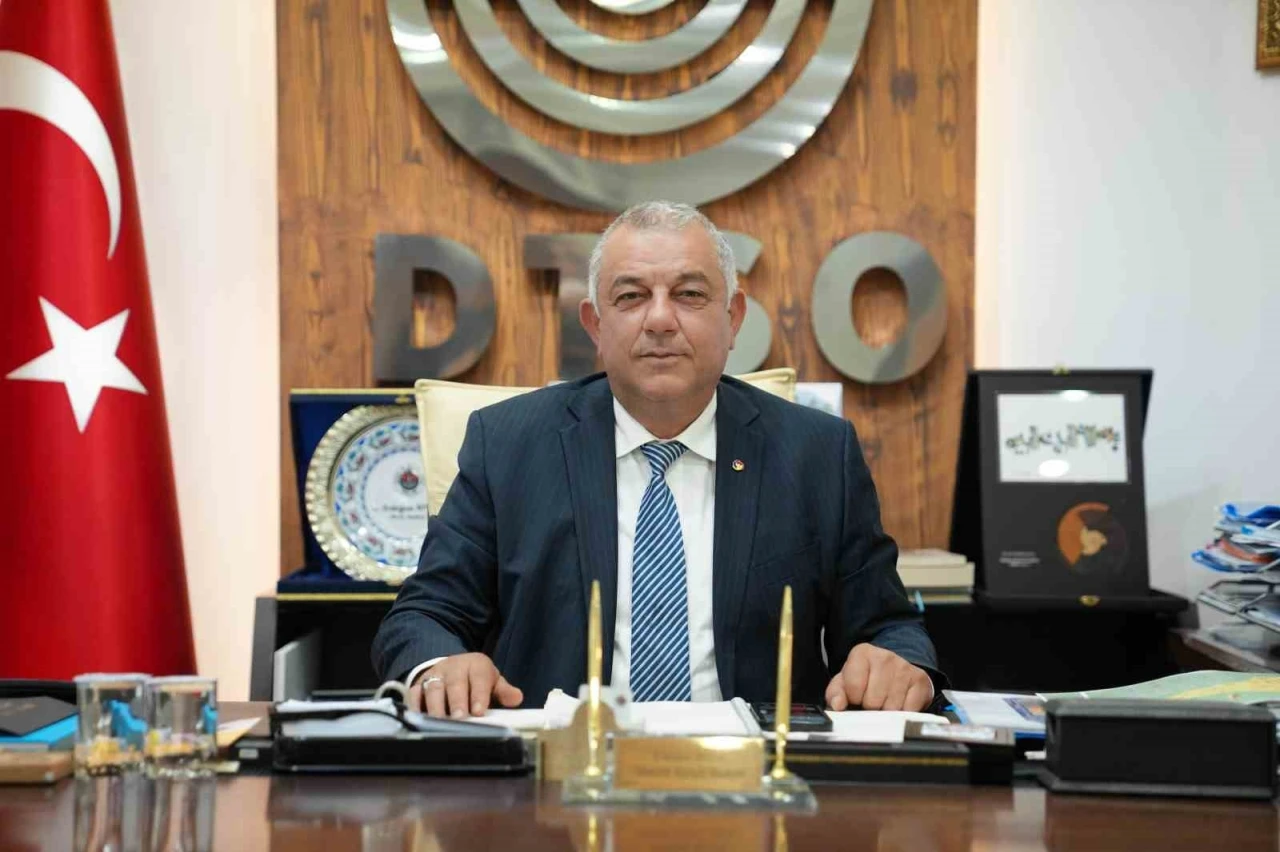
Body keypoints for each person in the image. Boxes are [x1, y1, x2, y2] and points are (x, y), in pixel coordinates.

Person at [372, 201, 942, 718]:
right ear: (595, 325)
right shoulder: (508, 445)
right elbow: (425, 615)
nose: (661, 320)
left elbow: (888, 626)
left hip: (752, 775)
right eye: (631, 296)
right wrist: (441, 663)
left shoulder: (816, 453)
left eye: (690, 294)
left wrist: (895, 662)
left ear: (733, 318)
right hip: (557, 774)